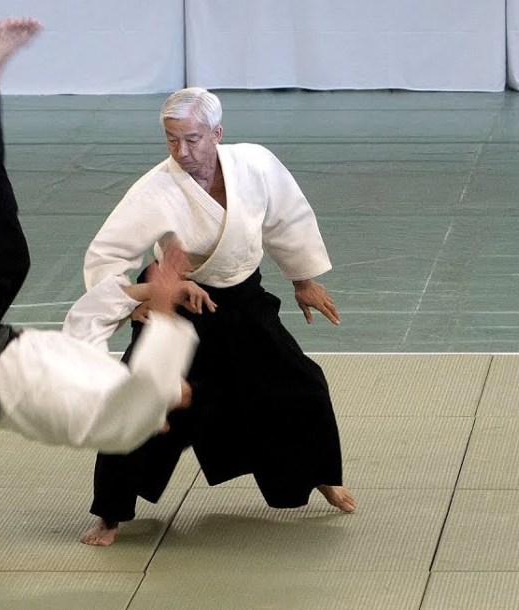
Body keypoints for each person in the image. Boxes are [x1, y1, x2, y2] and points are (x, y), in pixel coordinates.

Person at [0, 17, 199, 466]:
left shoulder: (132, 425)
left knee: (3, 261)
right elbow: (88, 320)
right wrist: (148, 289)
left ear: (165, 422)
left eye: (183, 394)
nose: (185, 387)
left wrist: (163, 306)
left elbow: (150, 383)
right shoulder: (103, 382)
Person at [77, 87, 356, 547]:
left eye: (192, 139)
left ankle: (318, 475)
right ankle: (110, 513)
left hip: (243, 301)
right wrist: (134, 300)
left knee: (301, 385)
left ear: (217, 133)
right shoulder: (156, 190)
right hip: (178, 307)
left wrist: (302, 279)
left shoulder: (254, 165)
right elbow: (107, 253)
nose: (182, 152)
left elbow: (286, 218)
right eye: (172, 140)